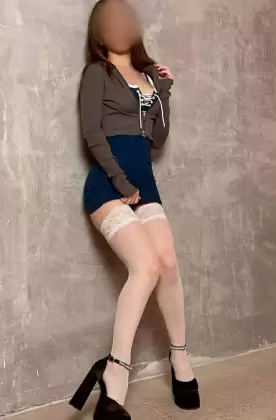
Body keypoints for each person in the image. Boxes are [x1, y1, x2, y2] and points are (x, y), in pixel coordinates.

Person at [69, 0, 200, 418]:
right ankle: (115, 372)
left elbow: (157, 139)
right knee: (145, 267)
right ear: (99, 30)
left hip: (145, 186)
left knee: (168, 265)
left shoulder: (147, 77)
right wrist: (122, 183)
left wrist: (164, 92)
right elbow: (91, 133)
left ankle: (180, 358)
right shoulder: (97, 73)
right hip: (108, 187)